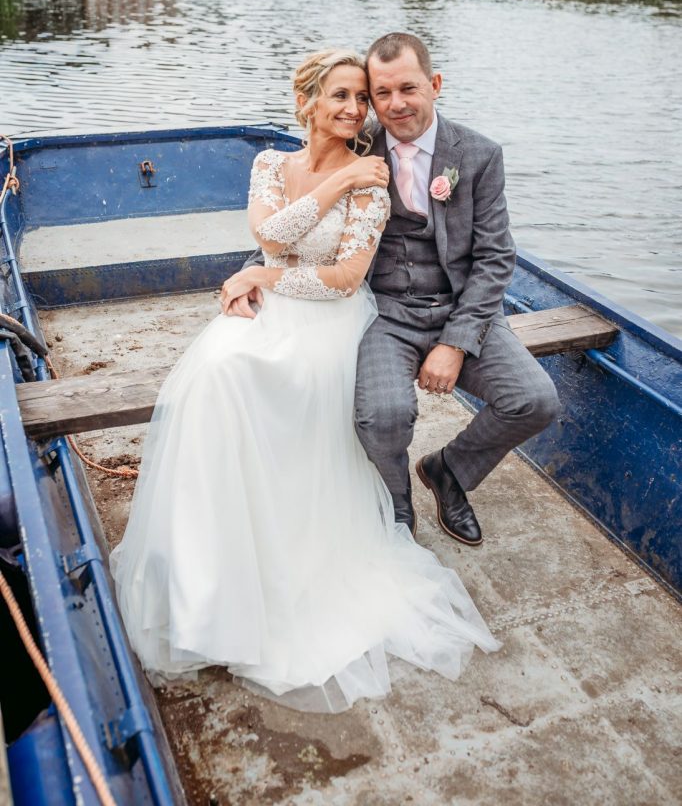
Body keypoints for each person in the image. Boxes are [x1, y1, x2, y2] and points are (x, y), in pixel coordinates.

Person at [110, 48, 498, 711]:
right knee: (215, 371)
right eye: (341, 96)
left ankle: (285, 563)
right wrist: (327, 192)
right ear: (307, 103)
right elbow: (269, 233)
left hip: (330, 321)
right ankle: (207, 576)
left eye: (361, 98)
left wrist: (264, 269)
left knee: (261, 378)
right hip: (274, 305)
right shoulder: (271, 164)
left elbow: (344, 278)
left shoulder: (372, 180)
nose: (355, 109)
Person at [232, 34, 561, 544]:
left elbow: (496, 259)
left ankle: (449, 470)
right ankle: (395, 496)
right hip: (382, 312)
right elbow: (305, 217)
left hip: (461, 307)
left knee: (534, 400)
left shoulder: (478, 155)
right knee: (383, 415)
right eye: (380, 93)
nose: (393, 104)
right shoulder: (357, 144)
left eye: (407, 88)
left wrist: (455, 343)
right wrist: (251, 271)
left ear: (434, 84)